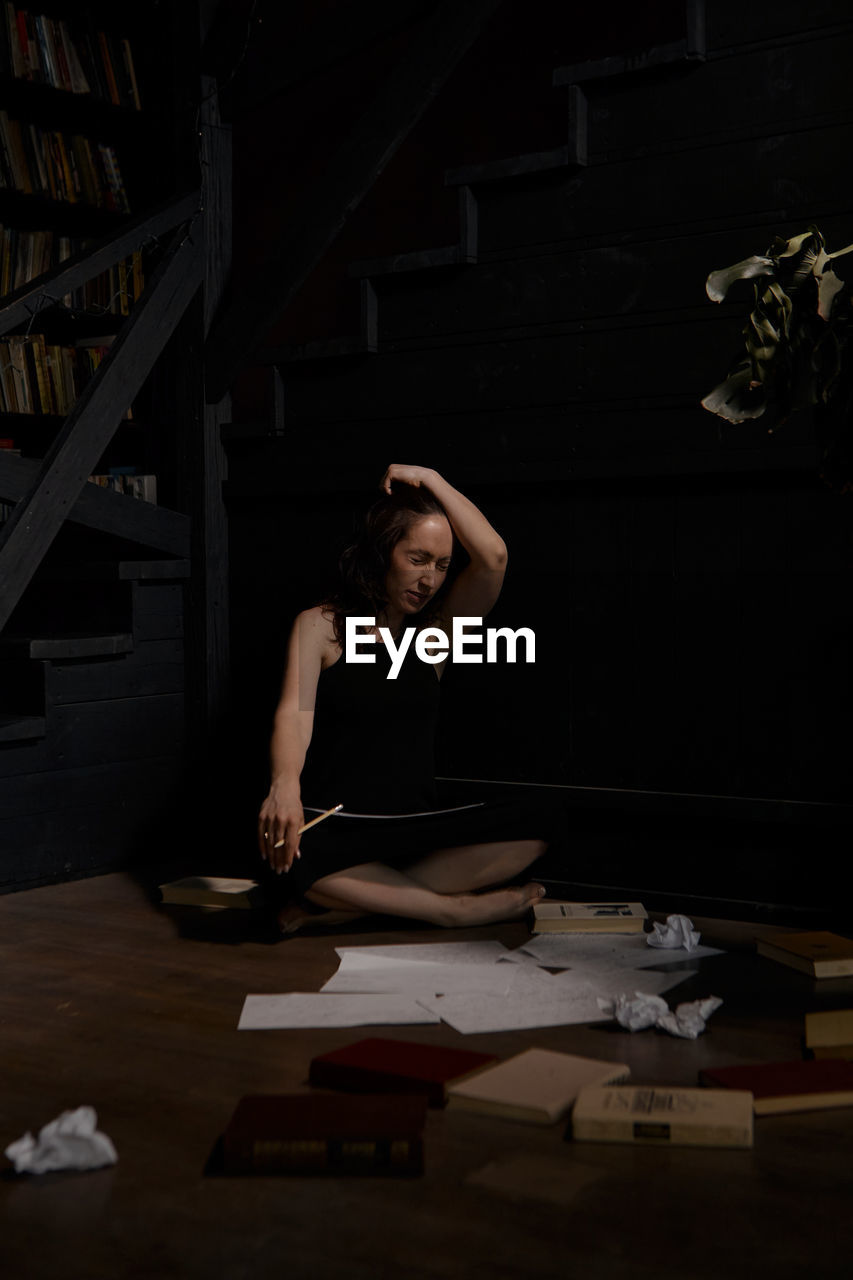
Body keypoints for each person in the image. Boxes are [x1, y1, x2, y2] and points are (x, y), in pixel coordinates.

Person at [257, 464, 556, 931]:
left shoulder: (434, 637)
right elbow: (294, 716)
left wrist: (432, 480)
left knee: (538, 825)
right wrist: (285, 786)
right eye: (417, 559)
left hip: (415, 828)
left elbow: (493, 557)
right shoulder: (318, 626)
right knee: (283, 848)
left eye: (440, 566)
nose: (430, 580)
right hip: (337, 828)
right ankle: (449, 910)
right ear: (382, 553)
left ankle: (342, 906)